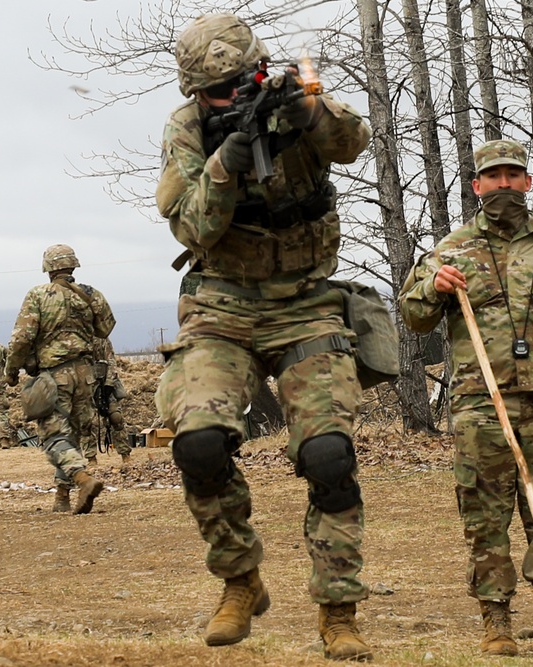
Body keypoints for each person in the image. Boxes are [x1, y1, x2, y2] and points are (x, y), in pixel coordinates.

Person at [154, 14, 373, 658]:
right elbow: (189, 228)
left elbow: (352, 140)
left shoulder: (293, 99)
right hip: (221, 304)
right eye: (210, 93)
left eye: (234, 87)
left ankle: (339, 610)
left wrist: (307, 115)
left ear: (256, 69)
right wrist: (225, 162)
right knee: (197, 445)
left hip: (306, 302)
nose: (224, 100)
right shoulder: (187, 129)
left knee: (329, 458)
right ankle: (240, 579)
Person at [398, 138, 533, 659]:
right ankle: (495, 618)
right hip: (481, 404)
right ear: (477, 186)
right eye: (493, 177)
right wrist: (433, 287)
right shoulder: (449, 252)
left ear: (527, 182)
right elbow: (413, 318)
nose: (504, 185)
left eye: (512, 176)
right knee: (484, 510)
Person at [4, 244, 115, 514]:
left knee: (54, 436)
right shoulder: (91, 294)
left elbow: (22, 338)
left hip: (55, 375)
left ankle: (82, 479)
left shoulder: (39, 295)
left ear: (48, 268)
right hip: (85, 374)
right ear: (73, 265)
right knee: (73, 435)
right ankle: (62, 498)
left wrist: (11, 369)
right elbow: (106, 327)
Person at [90, 336, 133, 464]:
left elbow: (111, 361)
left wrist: (109, 383)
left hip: (104, 384)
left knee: (116, 417)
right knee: (85, 422)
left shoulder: (101, 338)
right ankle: (90, 457)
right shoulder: (77, 337)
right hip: (85, 386)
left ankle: (125, 454)